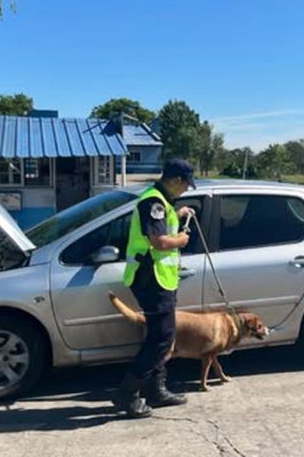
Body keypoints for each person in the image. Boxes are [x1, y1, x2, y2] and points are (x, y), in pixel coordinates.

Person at [112, 158, 197, 418]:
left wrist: (179, 213)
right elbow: (159, 241)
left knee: (162, 336)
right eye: (185, 185)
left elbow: (164, 220)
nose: (186, 190)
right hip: (151, 277)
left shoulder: (162, 200)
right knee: (161, 338)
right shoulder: (153, 202)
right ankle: (127, 394)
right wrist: (181, 240)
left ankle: (157, 390)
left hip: (161, 278)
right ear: (176, 181)